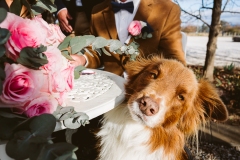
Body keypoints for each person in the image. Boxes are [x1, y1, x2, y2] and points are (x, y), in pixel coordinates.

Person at [70, 0, 186, 76]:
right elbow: (96, 50)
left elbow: (174, 60)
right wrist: (83, 59)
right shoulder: (97, 11)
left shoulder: (167, 9)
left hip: (146, 93)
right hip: (110, 87)